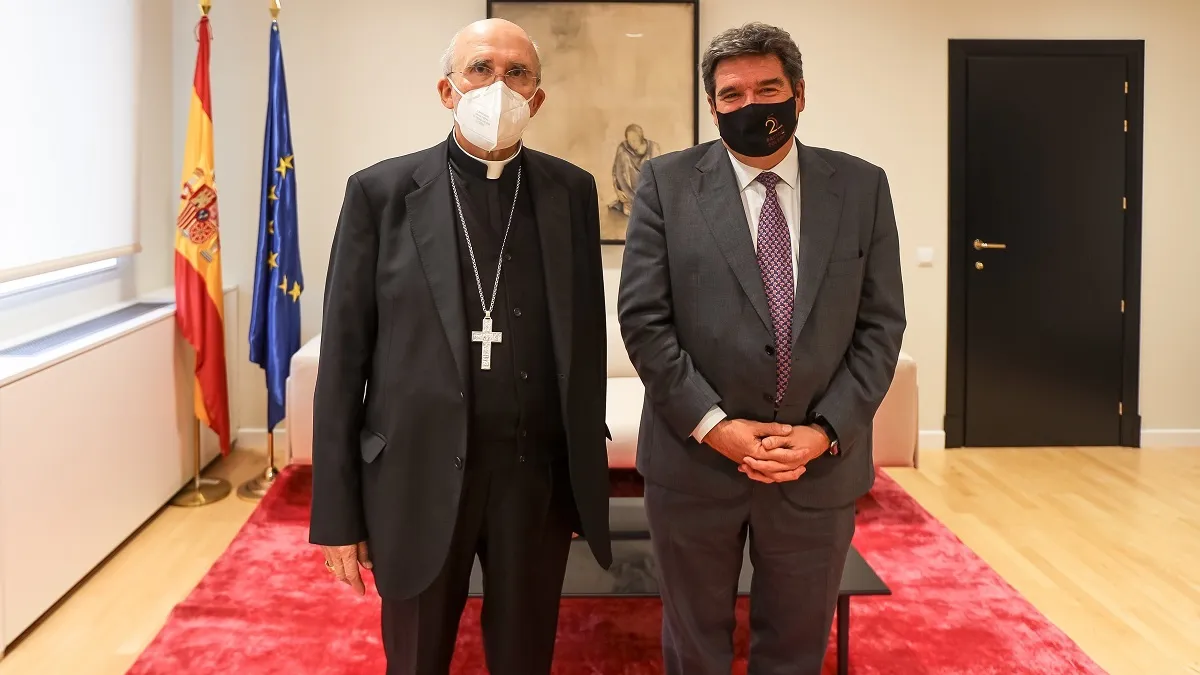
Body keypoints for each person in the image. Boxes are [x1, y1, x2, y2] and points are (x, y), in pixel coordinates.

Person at [308, 18, 612, 675]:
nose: (498, 86)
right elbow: (342, 363)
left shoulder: (571, 191)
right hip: (416, 472)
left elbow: (586, 339)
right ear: (448, 90)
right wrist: (335, 513)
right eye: (480, 69)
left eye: (517, 73)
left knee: (525, 656)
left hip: (534, 479)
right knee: (417, 658)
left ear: (537, 98)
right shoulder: (380, 194)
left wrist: (585, 473)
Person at [617, 21, 906, 675]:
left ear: (799, 94)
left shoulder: (861, 187)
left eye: (768, 89)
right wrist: (716, 427)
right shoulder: (665, 183)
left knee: (796, 649)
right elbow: (644, 320)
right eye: (732, 94)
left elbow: (881, 325)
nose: (751, 105)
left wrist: (823, 432)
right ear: (713, 104)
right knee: (694, 646)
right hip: (695, 464)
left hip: (815, 467)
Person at [609, 123, 660, 216]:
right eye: (629, 141)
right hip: (627, 193)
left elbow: (658, 174)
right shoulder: (623, 149)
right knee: (624, 156)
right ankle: (631, 203)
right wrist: (618, 191)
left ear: (641, 138)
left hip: (648, 192)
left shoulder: (653, 148)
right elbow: (617, 173)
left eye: (634, 140)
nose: (631, 143)